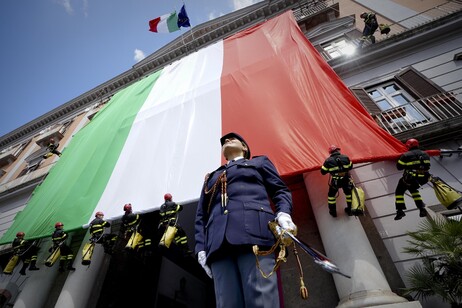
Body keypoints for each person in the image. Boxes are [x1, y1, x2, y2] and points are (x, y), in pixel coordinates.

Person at [195, 132, 296, 308]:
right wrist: (200, 249)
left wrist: (284, 214)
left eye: (232, 139)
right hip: (217, 244)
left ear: (245, 147)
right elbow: (201, 215)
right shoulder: (211, 177)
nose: (227, 140)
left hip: (255, 235)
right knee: (227, 303)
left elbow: (280, 191)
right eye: (224, 142)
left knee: (261, 300)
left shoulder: (259, 163)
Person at [394, 138, 431, 220]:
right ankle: (422, 209)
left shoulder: (406, 155)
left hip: (410, 178)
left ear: (408, 146)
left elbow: (399, 167)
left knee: (399, 191)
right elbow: (428, 166)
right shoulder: (426, 154)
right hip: (423, 178)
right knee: (414, 190)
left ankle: (400, 211)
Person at [321, 145, 354, 217]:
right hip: (346, 180)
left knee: (331, 196)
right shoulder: (346, 157)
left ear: (330, 153)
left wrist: (330, 169)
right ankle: (350, 210)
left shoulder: (328, 161)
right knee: (348, 194)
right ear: (338, 150)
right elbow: (350, 167)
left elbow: (323, 172)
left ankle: (333, 212)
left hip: (335, 182)